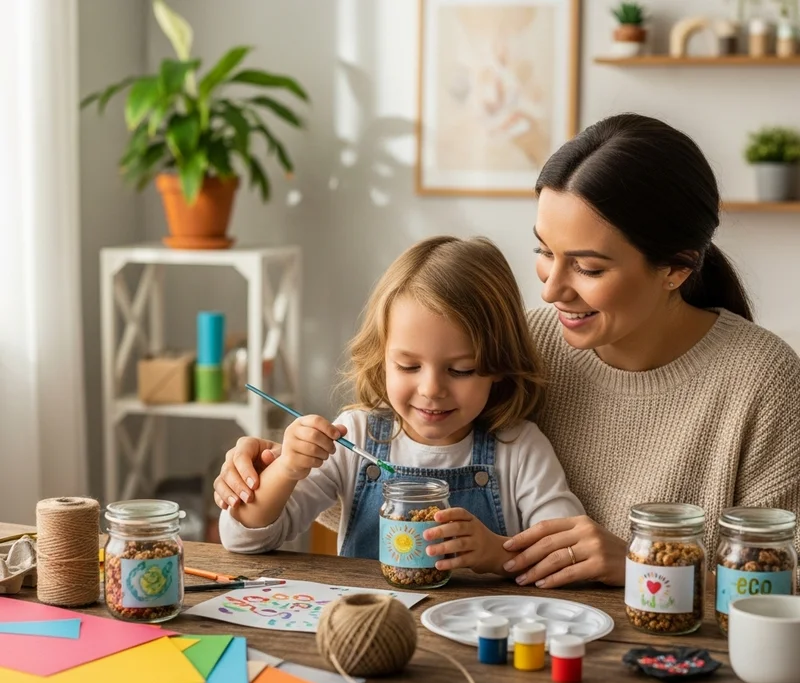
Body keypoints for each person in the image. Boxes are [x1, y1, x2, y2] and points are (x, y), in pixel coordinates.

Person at [215, 113, 800, 589]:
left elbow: (787, 576)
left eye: (589, 267)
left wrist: (644, 563)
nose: (550, 288)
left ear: (675, 269)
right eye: (545, 251)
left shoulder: (764, 380)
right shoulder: (526, 342)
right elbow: (392, 466)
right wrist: (269, 466)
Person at [218, 236, 584, 575]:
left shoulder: (518, 449)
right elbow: (244, 539)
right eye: (408, 366)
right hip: (368, 628)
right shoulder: (355, 435)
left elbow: (569, 554)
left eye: (461, 370)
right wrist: (286, 469)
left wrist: (497, 552)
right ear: (382, 359)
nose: (431, 389)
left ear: (499, 366)